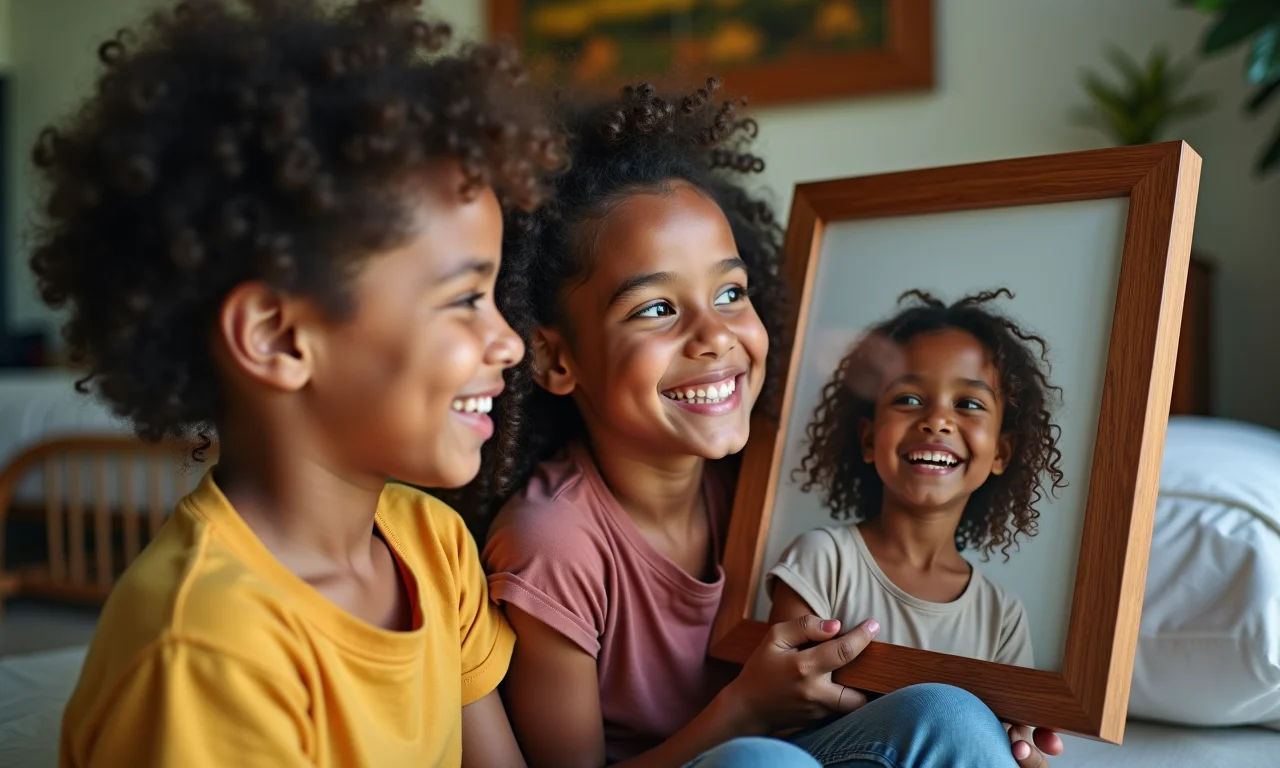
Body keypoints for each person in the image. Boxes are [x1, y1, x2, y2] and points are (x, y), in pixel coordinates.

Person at [32, 1, 563, 765]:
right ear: (278, 337)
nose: (509, 342)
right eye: (463, 300)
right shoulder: (207, 653)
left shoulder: (433, 544)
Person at [472, 78, 1044, 767]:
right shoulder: (553, 544)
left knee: (951, 716)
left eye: (730, 293)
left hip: (804, 747)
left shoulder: (766, 481)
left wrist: (1005, 707)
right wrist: (744, 709)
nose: (716, 335)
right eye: (656, 309)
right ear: (556, 359)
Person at [770, 288, 1069, 763]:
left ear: (1001, 453)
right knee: (950, 712)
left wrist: (1019, 753)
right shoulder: (822, 559)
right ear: (869, 439)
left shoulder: (1002, 615)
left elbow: (999, 746)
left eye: (968, 404)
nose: (937, 421)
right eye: (909, 399)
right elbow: (780, 717)